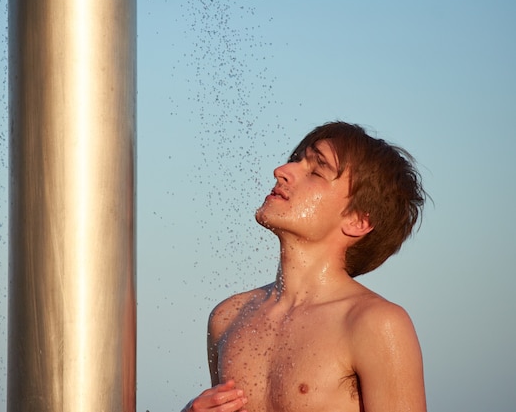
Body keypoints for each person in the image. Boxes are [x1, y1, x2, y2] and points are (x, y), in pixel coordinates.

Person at [182, 121, 427, 412]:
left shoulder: (374, 324)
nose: (282, 171)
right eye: (295, 160)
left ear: (358, 220)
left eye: (316, 170)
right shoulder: (228, 317)